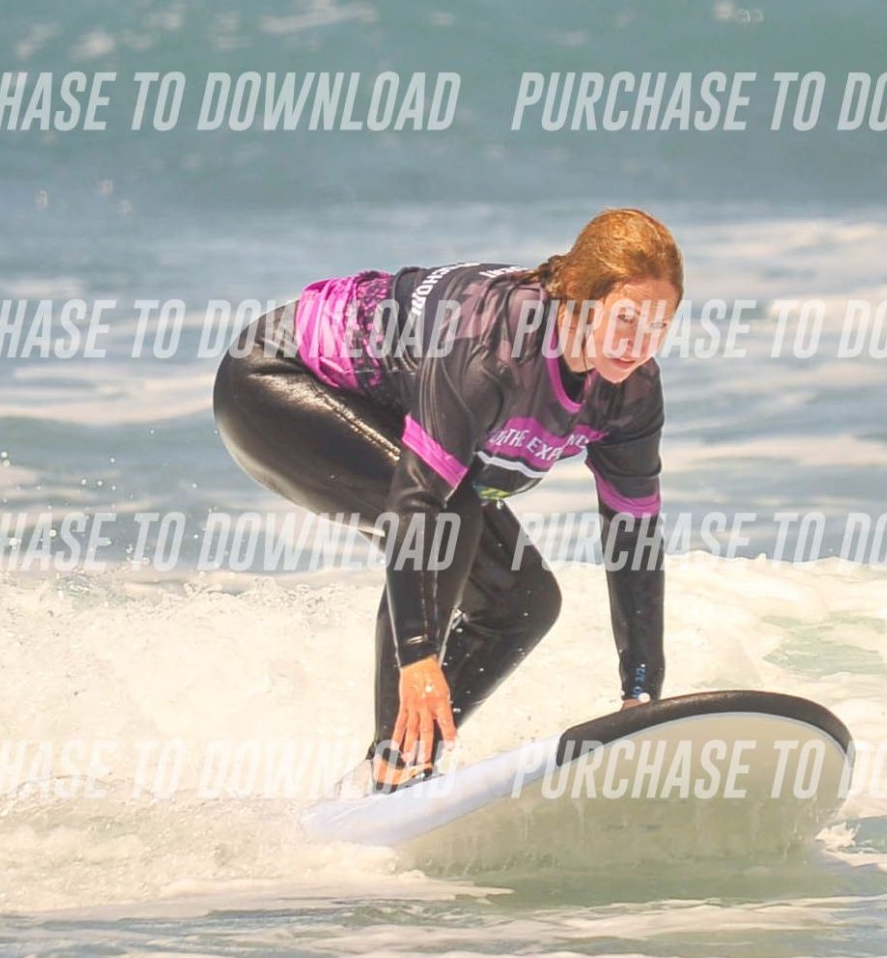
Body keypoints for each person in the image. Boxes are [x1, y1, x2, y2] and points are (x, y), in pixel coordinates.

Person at [213, 209, 681, 789]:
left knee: (522, 602)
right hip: (276, 382)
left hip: (389, 407)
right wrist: (417, 656)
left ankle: (385, 774)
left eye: (659, 326)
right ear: (581, 300)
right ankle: (397, 768)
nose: (639, 344)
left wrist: (641, 694)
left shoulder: (631, 394)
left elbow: (634, 538)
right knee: (448, 516)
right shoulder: (495, 352)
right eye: (627, 319)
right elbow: (419, 505)